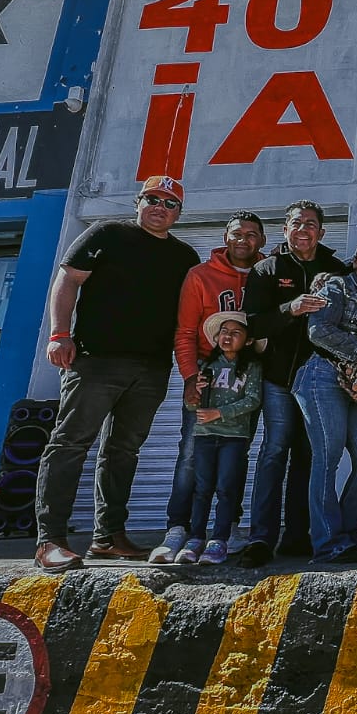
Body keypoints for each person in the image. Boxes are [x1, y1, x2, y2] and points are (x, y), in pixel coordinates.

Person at [33, 175, 200, 573]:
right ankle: (49, 540)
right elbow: (67, 279)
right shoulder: (106, 233)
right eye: (153, 199)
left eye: (170, 203)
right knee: (70, 444)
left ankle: (108, 538)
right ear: (138, 202)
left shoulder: (184, 256)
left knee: (123, 451)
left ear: (178, 213)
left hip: (151, 367)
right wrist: (59, 334)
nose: (160, 207)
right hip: (96, 361)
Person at [151, 211, 265, 564]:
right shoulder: (201, 275)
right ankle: (178, 528)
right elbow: (186, 331)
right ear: (225, 236)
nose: (243, 240)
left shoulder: (268, 272)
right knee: (191, 454)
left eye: (251, 234)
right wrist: (190, 377)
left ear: (262, 240)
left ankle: (227, 528)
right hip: (207, 374)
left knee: (236, 455)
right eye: (237, 233)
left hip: (249, 373)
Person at [241, 200, 349, 567]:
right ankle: (260, 538)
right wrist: (291, 308)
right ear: (285, 229)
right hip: (280, 379)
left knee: (310, 456)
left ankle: (298, 536)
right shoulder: (267, 269)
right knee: (274, 452)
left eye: (311, 224)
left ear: (322, 231)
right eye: (297, 224)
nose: (304, 230)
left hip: (321, 383)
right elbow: (253, 324)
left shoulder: (336, 270)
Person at [295, 238, 357, 563]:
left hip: (356, 385)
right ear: (356, 261)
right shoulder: (337, 286)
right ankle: (327, 542)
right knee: (327, 457)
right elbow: (318, 330)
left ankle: (348, 536)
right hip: (322, 375)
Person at [180, 312, 263, 566]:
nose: (228, 337)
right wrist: (194, 395)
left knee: (227, 488)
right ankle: (195, 538)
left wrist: (220, 413)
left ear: (248, 341)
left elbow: (253, 400)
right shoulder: (206, 366)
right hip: (205, 435)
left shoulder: (251, 367)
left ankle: (219, 540)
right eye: (224, 332)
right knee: (202, 488)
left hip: (234, 437)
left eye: (236, 333)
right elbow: (192, 406)